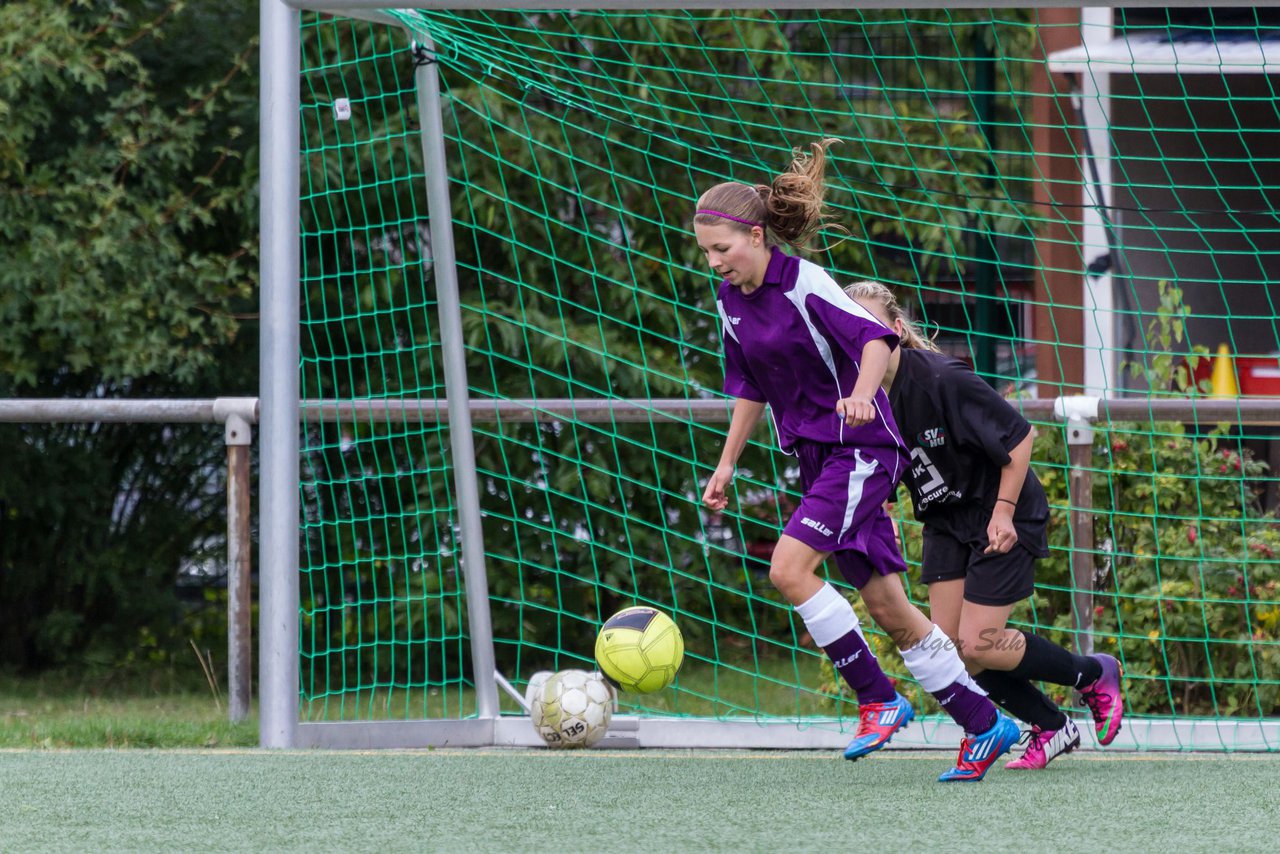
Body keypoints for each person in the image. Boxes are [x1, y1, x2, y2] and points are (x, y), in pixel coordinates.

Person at [695, 139, 1019, 782]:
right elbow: (751, 388)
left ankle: (877, 698)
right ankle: (985, 724)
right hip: (819, 460)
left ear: (756, 236)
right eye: (706, 251)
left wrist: (863, 398)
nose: (714, 262)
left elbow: (875, 337)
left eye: (722, 248)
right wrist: (726, 465)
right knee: (891, 609)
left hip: (860, 451)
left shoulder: (805, 283)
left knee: (788, 570)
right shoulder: (732, 304)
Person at [846, 280, 1125, 770]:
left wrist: (1002, 511)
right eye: (852, 331)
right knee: (954, 652)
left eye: (872, 328)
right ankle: (1054, 727)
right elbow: (885, 468)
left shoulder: (939, 379)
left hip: (1000, 509)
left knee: (979, 642)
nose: (863, 340)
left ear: (895, 330)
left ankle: (1093, 673)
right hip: (945, 522)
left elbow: (1020, 438)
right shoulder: (864, 400)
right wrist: (880, 511)